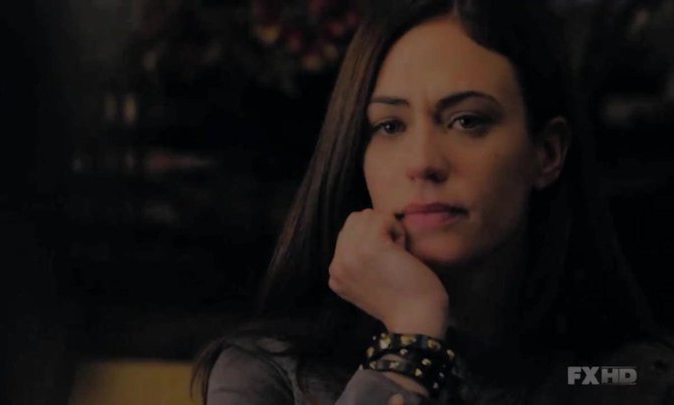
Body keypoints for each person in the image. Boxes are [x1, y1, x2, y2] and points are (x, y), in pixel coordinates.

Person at [192, 1, 674, 403]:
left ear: (546, 153)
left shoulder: (627, 379)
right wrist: (409, 344)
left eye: (467, 121)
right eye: (390, 126)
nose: (423, 162)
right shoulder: (266, 373)